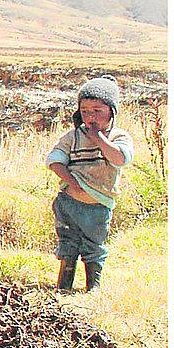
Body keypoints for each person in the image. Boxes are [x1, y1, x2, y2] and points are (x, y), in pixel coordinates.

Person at [46, 76, 133, 292]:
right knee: (68, 243)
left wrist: (99, 139)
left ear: (112, 111)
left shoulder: (119, 136)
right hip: (69, 203)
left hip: (97, 206)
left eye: (98, 111)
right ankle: (63, 286)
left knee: (94, 245)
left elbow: (121, 159)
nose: (91, 117)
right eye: (85, 111)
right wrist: (71, 182)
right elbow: (54, 160)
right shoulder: (73, 137)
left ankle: (92, 287)